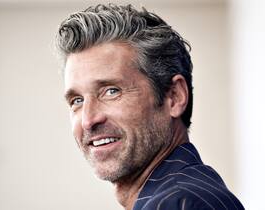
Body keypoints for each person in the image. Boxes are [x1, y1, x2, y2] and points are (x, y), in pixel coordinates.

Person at [56, 4, 244, 210]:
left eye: (111, 91)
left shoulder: (179, 203)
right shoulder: (189, 194)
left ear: (174, 96)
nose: (88, 120)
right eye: (77, 100)